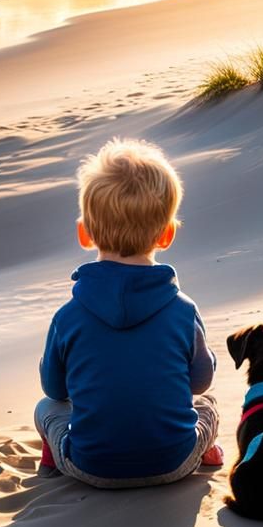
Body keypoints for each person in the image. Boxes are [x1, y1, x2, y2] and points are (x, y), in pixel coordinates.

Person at [34, 137, 223, 487]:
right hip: (174, 463)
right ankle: (206, 448)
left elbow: (54, 389)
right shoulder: (183, 311)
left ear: (84, 234)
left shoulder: (68, 317)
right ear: (166, 235)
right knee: (208, 404)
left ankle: (51, 459)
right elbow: (200, 382)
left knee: (45, 409)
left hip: (91, 468)